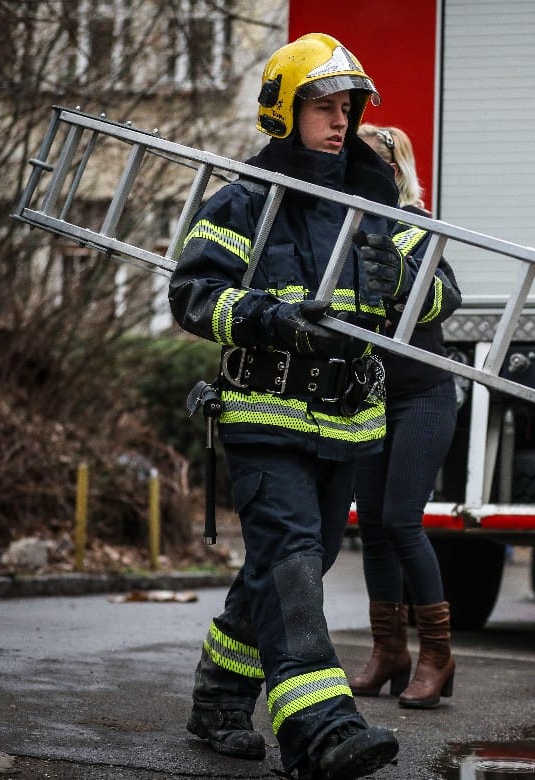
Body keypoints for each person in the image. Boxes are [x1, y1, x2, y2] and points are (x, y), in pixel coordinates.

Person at [168, 33, 455, 780]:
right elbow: (192, 296)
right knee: (293, 565)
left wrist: (399, 277)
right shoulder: (241, 202)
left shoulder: (380, 205)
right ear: (283, 112)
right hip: (264, 419)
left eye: (346, 107)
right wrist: (265, 317)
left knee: (292, 563)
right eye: (323, 107)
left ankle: (220, 699)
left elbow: (445, 299)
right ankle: (321, 732)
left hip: (347, 425)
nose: (339, 121)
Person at [347, 124, 461, 708]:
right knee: (370, 529)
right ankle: (387, 651)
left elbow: (447, 297)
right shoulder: (342, 224)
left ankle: (436, 657)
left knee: (401, 521)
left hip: (423, 395)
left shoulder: (417, 227)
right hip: (370, 395)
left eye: (369, 165)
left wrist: (399, 284)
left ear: (394, 172)